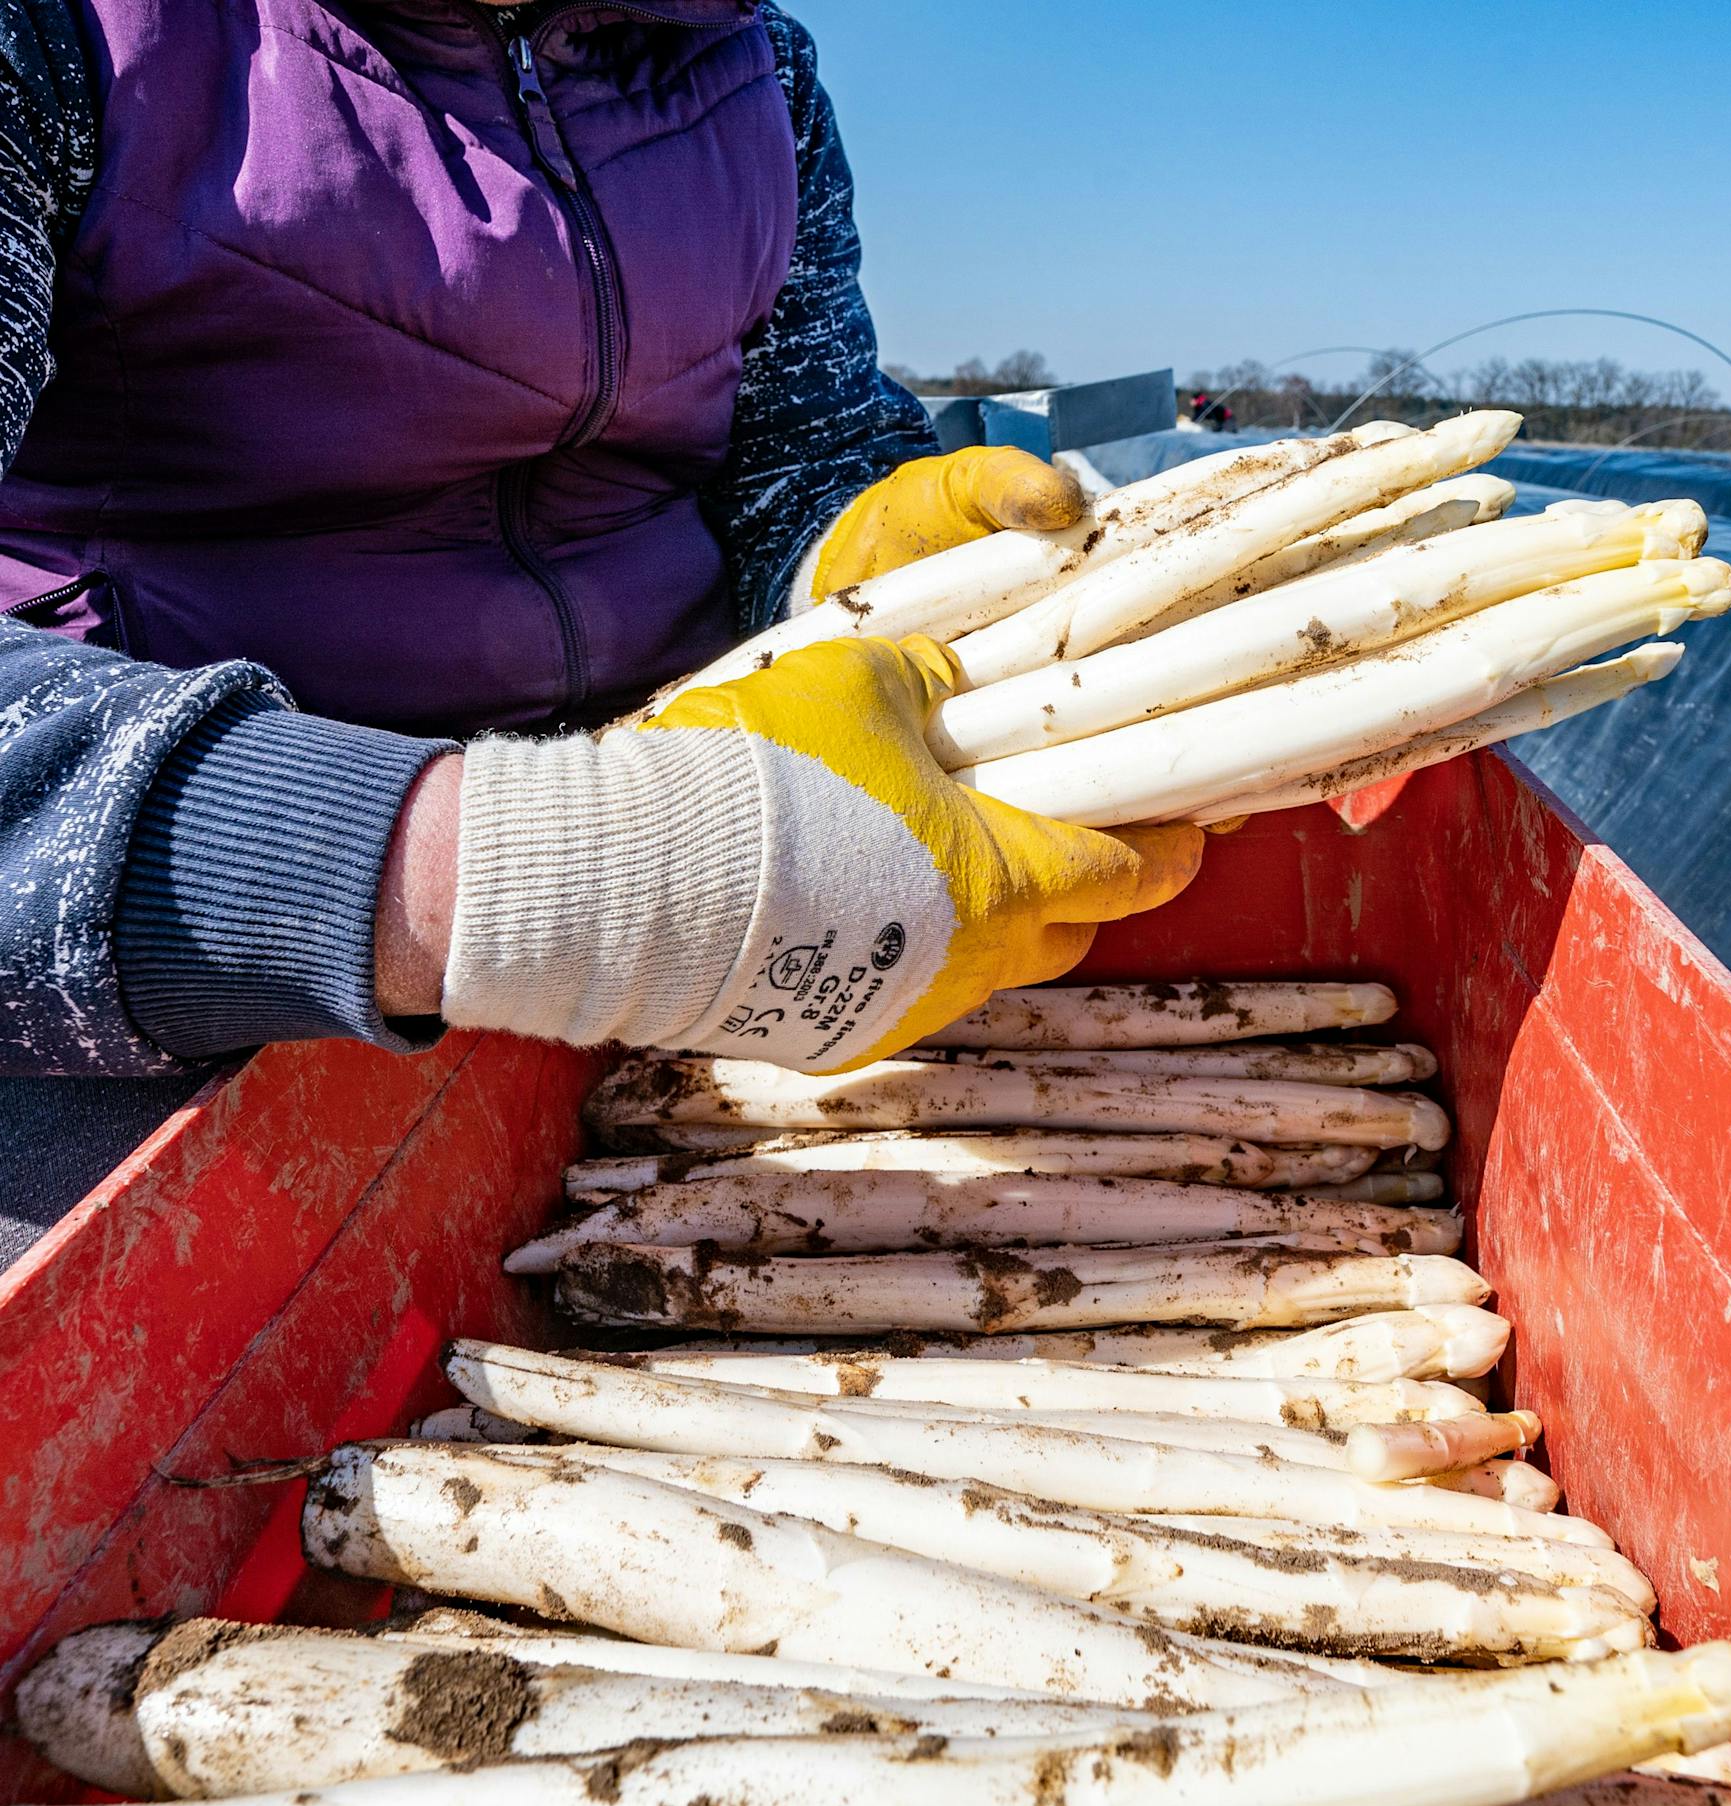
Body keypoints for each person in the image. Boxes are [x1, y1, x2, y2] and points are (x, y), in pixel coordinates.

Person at [0, 0, 1201, 1186]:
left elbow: (792, 450)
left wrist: (847, 552)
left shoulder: (755, 69)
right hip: (188, 941)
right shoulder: (60, 31)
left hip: (751, 858)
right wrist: (548, 870)